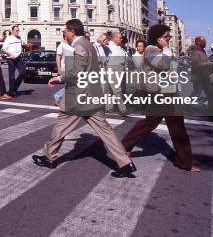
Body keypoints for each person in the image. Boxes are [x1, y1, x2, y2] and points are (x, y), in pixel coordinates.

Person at [32, 19, 136, 178]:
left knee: (61, 125)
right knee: (106, 131)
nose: (64, 33)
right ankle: (125, 163)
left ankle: (48, 157)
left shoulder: (79, 46)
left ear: (72, 32)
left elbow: (77, 71)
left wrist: (59, 78)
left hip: (79, 96)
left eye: (65, 30)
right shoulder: (89, 44)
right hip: (92, 94)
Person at [121, 24, 200, 172]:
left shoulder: (161, 50)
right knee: (155, 124)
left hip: (169, 92)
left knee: (172, 125)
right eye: (166, 36)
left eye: (169, 36)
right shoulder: (151, 50)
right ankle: (123, 146)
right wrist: (167, 49)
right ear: (158, 38)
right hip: (160, 93)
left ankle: (184, 162)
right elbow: (163, 65)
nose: (169, 38)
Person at [191, 36, 213, 108]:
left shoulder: (202, 51)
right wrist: (209, 63)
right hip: (198, 77)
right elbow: (195, 65)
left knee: (208, 92)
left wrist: (210, 64)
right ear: (198, 42)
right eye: (204, 41)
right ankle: (188, 104)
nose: (206, 43)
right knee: (197, 92)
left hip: (204, 76)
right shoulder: (196, 52)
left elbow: (204, 62)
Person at [106, 29, 128, 116]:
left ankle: (108, 107)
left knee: (113, 89)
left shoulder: (118, 47)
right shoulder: (108, 47)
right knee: (116, 89)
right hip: (112, 69)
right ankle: (123, 109)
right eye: (120, 38)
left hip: (120, 69)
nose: (121, 39)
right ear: (114, 38)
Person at [2, 25, 25, 97]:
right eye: (16, 30)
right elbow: (4, 49)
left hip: (18, 58)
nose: (17, 32)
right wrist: (11, 54)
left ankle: (14, 87)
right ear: (12, 31)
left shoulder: (19, 38)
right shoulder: (8, 38)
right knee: (12, 76)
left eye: (18, 30)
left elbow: (20, 47)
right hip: (10, 58)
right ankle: (11, 91)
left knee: (23, 72)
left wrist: (20, 53)